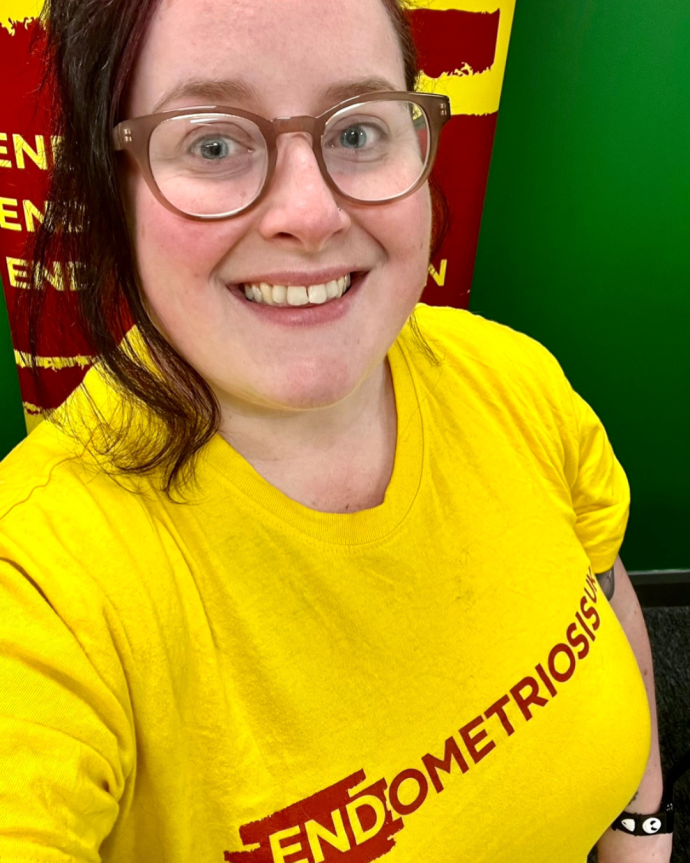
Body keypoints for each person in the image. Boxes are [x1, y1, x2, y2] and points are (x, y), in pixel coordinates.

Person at [0, 0, 672, 861]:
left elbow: (603, 585)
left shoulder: (511, 379)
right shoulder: (46, 584)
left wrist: (640, 821)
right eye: (213, 143)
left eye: (357, 133)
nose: (310, 215)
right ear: (113, 184)